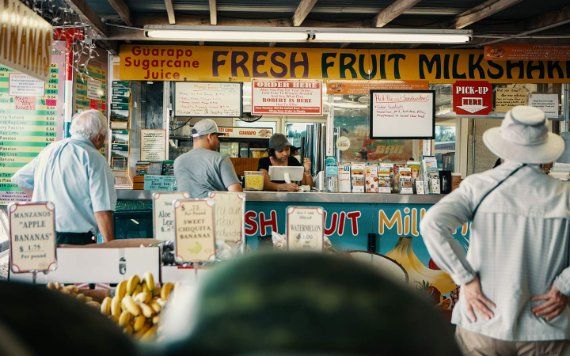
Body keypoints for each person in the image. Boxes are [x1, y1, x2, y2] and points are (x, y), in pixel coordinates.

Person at [420, 106, 569, 355]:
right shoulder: (563, 195)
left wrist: (465, 279)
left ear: (504, 145)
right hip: (546, 330)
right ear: (545, 152)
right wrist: (563, 286)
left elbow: (432, 224)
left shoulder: (478, 187)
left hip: (481, 323)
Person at [12, 110, 116, 245]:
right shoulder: (94, 159)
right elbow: (102, 210)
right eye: (104, 138)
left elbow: (21, 179)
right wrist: (112, 249)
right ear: (98, 137)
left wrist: (45, 201)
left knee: (46, 267)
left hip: (41, 236)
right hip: (75, 240)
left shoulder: (49, 150)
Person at [174, 119, 242, 198]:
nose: (218, 141)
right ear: (210, 136)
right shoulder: (220, 159)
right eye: (217, 137)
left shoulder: (178, 160)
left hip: (184, 209)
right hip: (212, 209)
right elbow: (237, 194)